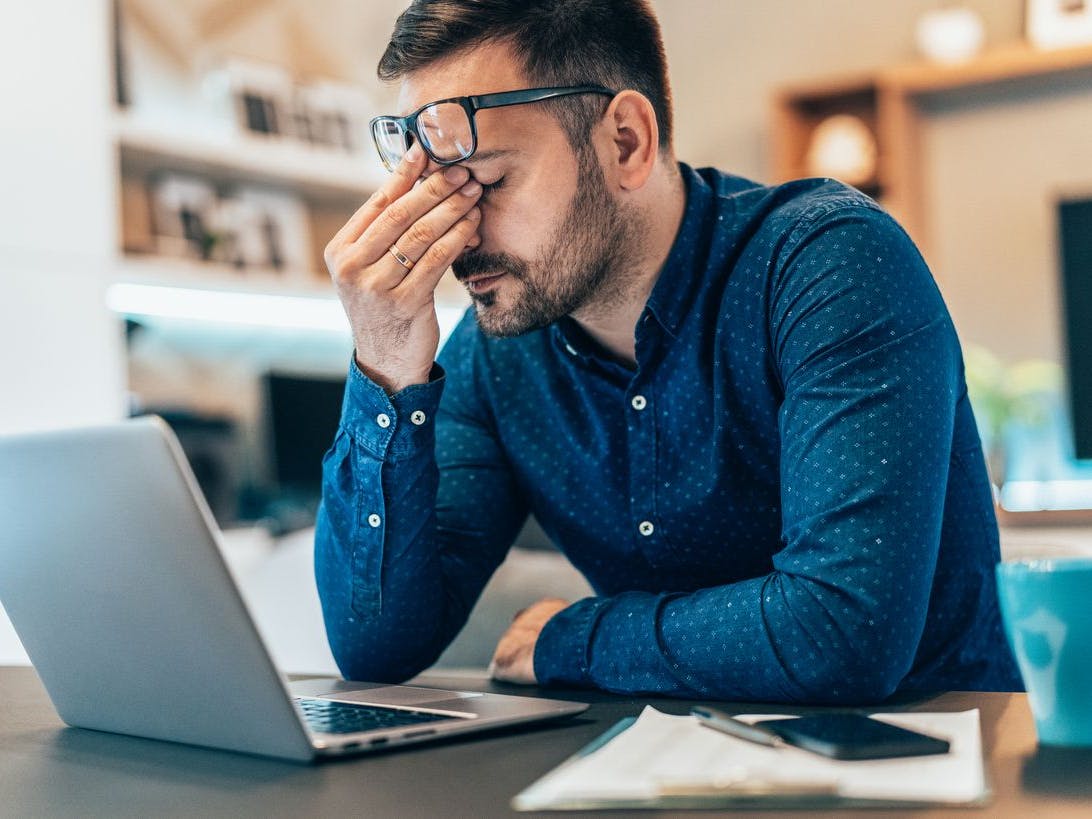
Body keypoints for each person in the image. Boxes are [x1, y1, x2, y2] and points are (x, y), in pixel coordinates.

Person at [315, 0, 1021, 703]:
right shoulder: (500, 354)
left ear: (625, 140)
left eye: (491, 182)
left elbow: (841, 633)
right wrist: (385, 365)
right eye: (438, 193)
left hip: (926, 772)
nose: (460, 236)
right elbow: (376, 647)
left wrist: (578, 636)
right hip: (662, 777)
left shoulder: (831, 266)